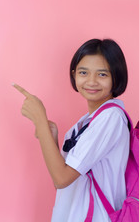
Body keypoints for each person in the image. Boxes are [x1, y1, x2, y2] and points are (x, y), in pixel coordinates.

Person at [13, 38, 130, 221]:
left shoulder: (111, 117)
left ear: (117, 77)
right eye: (84, 72)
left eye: (102, 75)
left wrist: (41, 121)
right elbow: (62, 183)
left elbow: (61, 179)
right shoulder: (86, 123)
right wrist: (51, 137)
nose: (91, 81)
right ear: (74, 74)